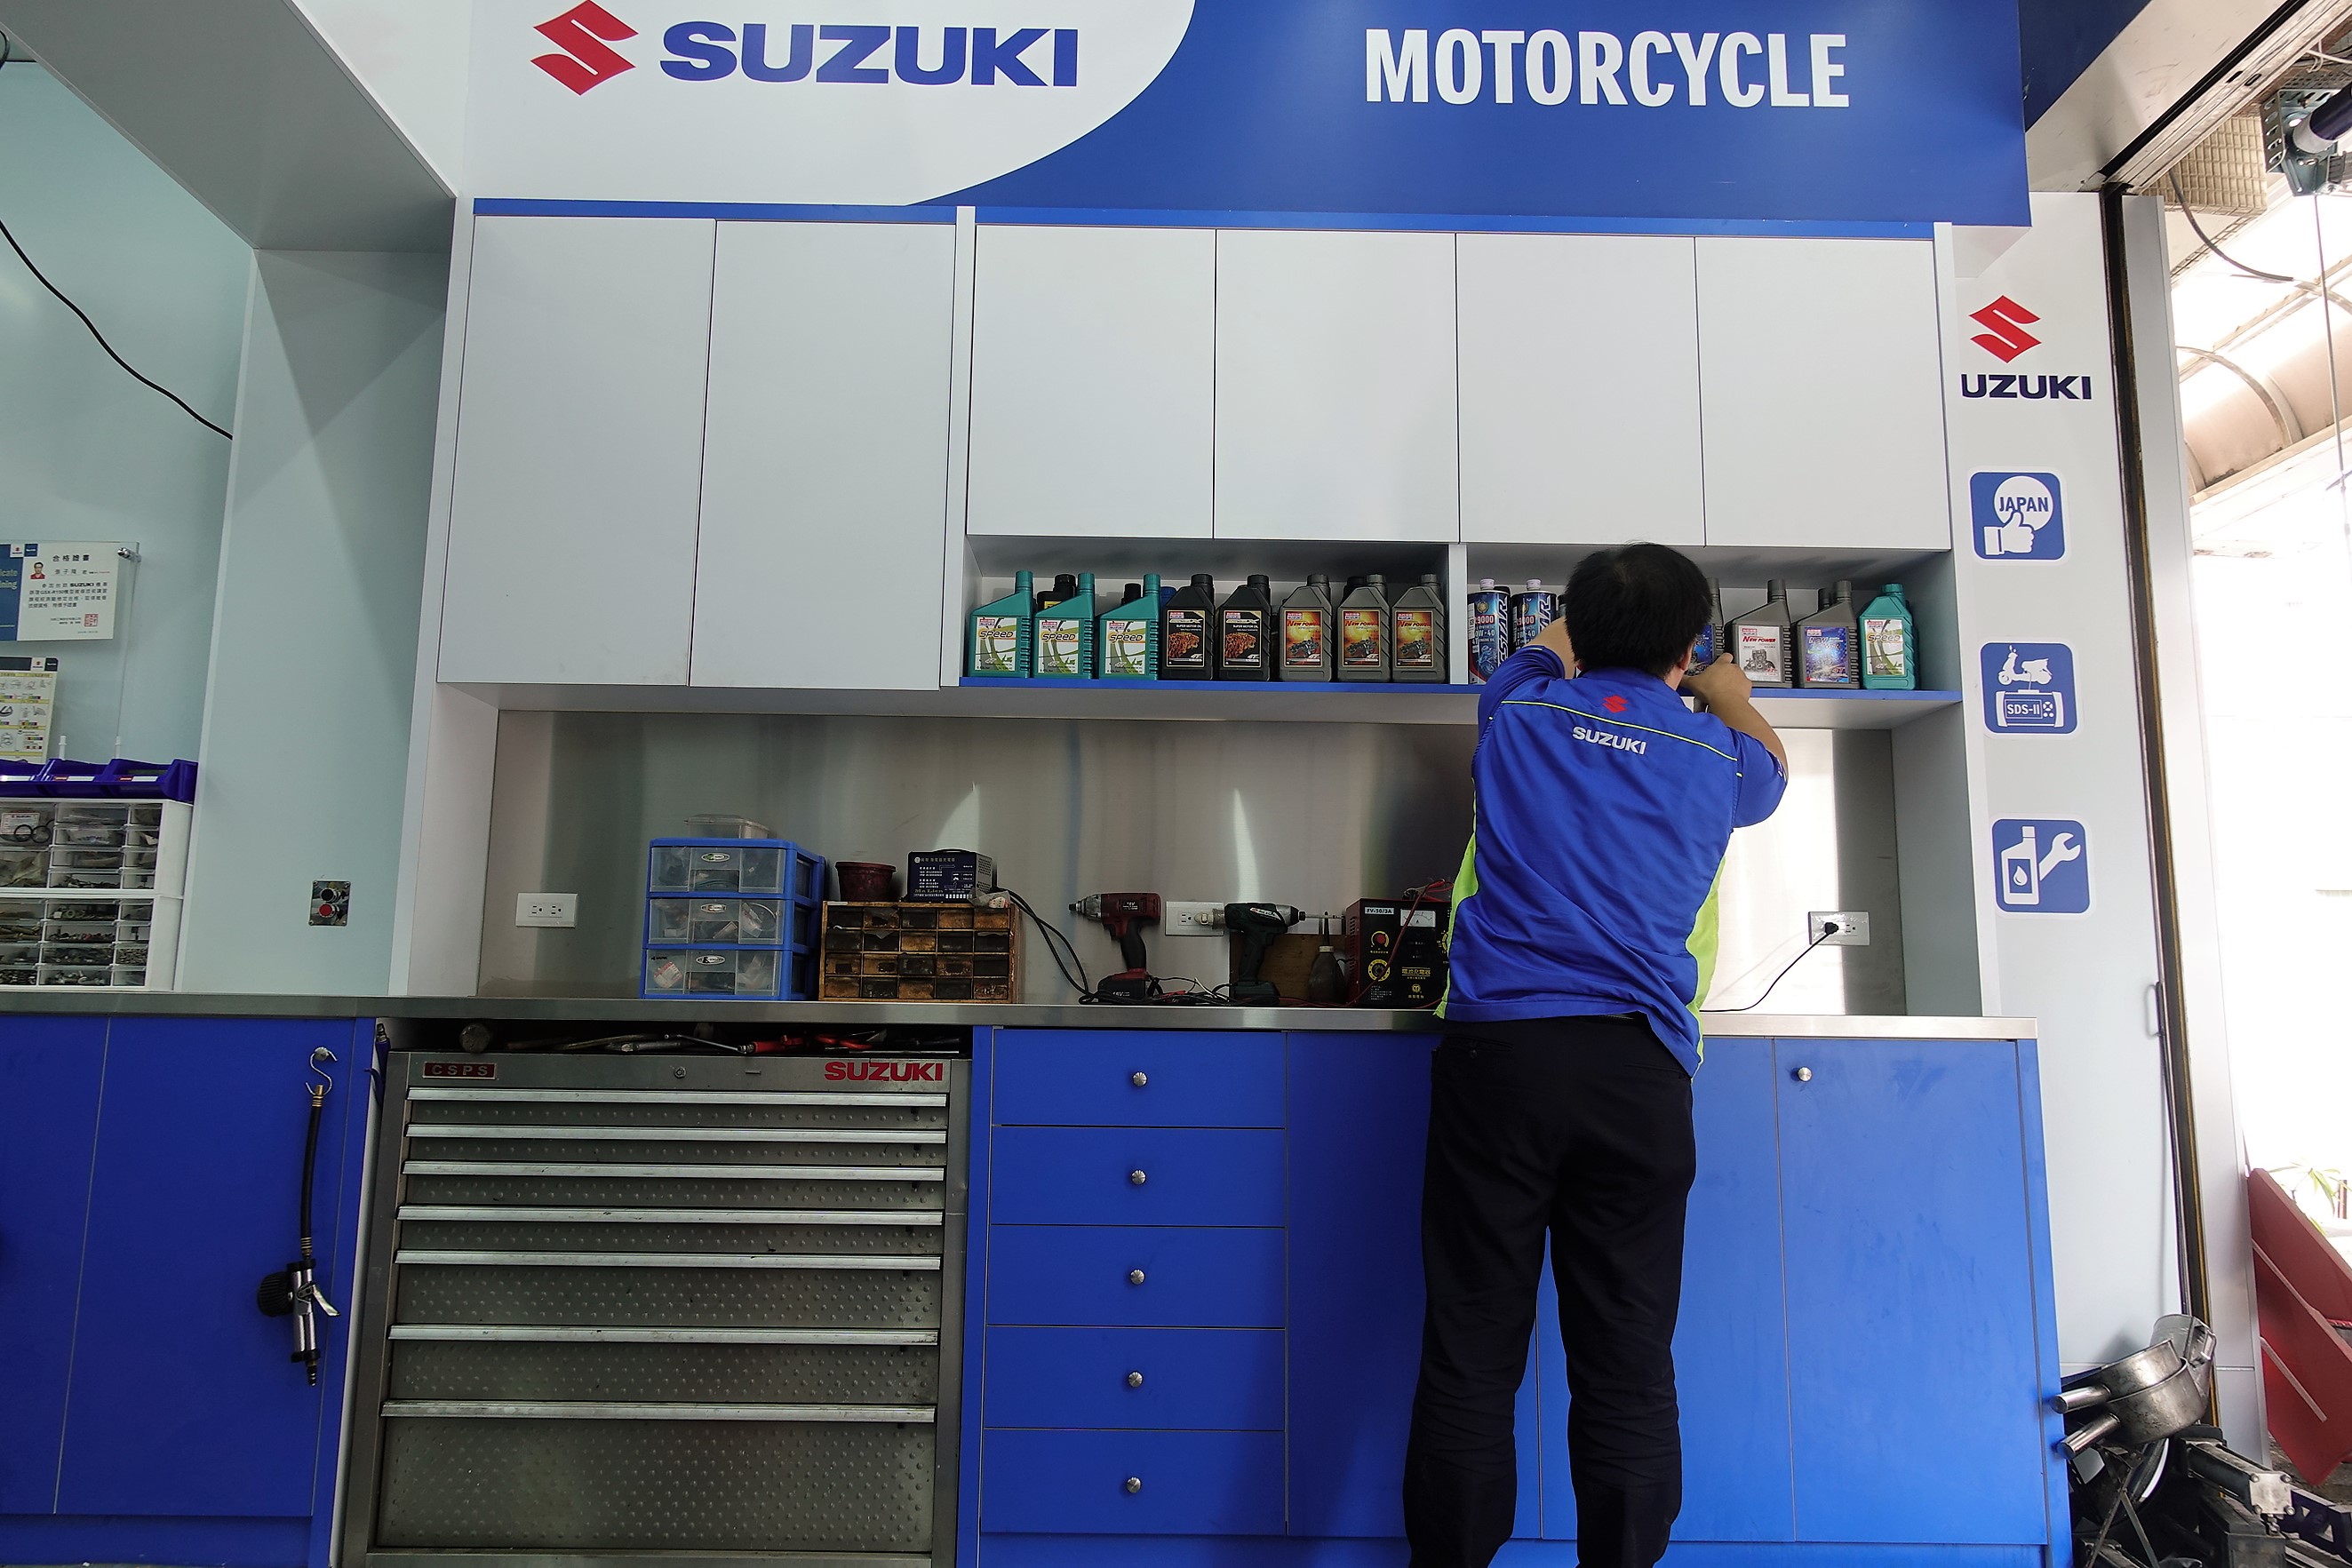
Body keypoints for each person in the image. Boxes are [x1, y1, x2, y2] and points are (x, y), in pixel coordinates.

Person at [1404, 543, 1788, 1568]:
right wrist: (1724, 690)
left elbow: (1539, 651)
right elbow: (1773, 770)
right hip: (1636, 1073)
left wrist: (1579, 637)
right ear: (1686, 646)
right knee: (1626, 1357)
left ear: (1575, 628)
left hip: (1500, 1060)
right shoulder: (1721, 756)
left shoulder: (1518, 712)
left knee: (1470, 1347)